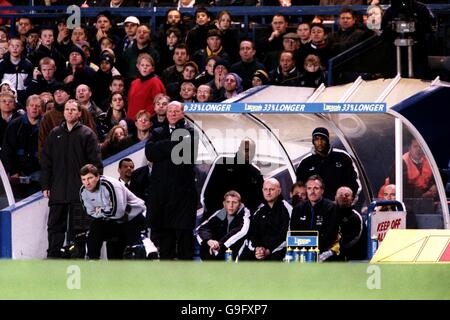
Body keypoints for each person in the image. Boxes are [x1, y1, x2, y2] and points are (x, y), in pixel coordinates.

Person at [40, 99, 103, 258]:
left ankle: (78, 256)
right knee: (54, 226)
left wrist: (93, 187)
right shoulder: (55, 134)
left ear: (79, 113)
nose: (69, 112)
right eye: (67, 109)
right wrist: (45, 185)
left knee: (80, 228)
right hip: (58, 189)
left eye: (73, 110)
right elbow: (46, 162)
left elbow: (96, 164)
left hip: (80, 191)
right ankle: (53, 256)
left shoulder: (87, 134)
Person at [145, 101, 198, 260]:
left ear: (182, 113)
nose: (173, 114)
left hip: (183, 194)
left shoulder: (190, 131)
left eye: (176, 111)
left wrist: (161, 147)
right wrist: (174, 144)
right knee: (165, 239)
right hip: (162, 195)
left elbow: (184, 152)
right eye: (170, 111)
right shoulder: (157, 130)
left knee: (184, 238)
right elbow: (150, 153)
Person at [79, 164, 157, 260]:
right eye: (84, 179)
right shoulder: (83, 190)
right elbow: (90, 212)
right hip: (114, 220)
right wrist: (108, 208)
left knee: (138, 251)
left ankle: (148, 255)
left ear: (97, 177)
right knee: (96, 226)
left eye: (90, 178)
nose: (87, 183)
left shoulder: (111, 185)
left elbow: (118, 212)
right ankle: (93, 261)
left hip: (133, 217)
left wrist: (100, 209)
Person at [202, 137, 264, 220]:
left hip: (240, 222)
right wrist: (219, 216)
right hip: (215, 218)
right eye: (246, 150)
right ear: (239, 149)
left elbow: (258, 201)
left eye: (251, 151)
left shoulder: (256, 173)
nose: (248, 154)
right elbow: (206, 194)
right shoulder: (222, 162)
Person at [295, 127, 361, 202]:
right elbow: (299, 188)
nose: (319, 142)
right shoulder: (305, 162)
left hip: (340, 207)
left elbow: (355, 184)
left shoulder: (343, 157)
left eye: (322, 139)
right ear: (313, 141)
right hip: (315, 208)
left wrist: (347, 204)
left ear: (327, 140)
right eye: (316, 139)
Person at [238, 178, 291, 261]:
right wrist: (257, 248)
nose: (268, 192)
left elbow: (287, 235)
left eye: (271, 189)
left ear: (279, 191)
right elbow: (252, 232)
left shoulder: (287, 209)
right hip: (259, 250)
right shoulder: (259, 211)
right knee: (243, 258)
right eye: (265, 189)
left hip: (277, 250)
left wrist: (268, 251)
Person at [1, 94, 43, 198]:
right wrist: (13, 171)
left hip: (38, 175)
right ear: (26, 107)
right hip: (17, 174)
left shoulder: (46, 125)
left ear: (41, 109)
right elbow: (7, 151)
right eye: (32, 105)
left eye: (37, 106)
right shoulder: (15, 125)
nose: (34, 108)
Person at [290, 175, 339, 260]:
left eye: (316, 188)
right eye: (309, 188)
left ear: (322, 190)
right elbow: (294, 232)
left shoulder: (331, 207)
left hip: (324, 252)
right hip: (302, 251)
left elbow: (331, 234)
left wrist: (315, 248)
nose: (312, 191)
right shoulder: (298, 208)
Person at [196, 190, 250, 261]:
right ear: (224, 203)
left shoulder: (245, 213)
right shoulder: (222, 213)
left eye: (234, 202)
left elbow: (242, 231)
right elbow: (202, 228)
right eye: (228, 202)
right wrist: (209, 241)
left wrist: (219, 244)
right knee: (205, 245)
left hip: (237, 249)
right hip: (221, 248)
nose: (231, 205)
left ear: (239, 204)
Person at [335, 186, 367, 260]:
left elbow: (352, 241)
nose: (343, 197)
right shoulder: (329, 213)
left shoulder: (355, 217)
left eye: (347, 195)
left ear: (352, 199)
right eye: (340, 195)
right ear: (335, 197)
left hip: (352, 259)